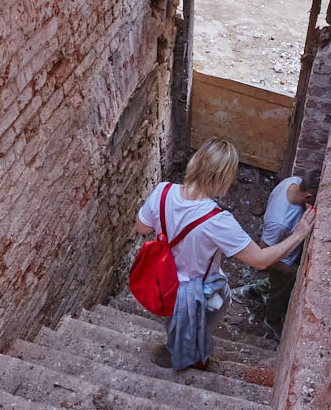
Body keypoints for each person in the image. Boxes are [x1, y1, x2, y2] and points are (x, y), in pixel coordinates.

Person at [135, 138, 316, 370]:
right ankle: (192, 354)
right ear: (223, 178)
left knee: (175, 318)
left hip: (164, 284)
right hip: (203, 291)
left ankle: (177, 343)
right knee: (213, 310)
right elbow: (260, 260)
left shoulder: (162, 191)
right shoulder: (218, 221)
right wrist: (298, 235)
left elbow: (143, 228)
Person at [237, 170, 319, 338]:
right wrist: (286, 270)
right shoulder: (279, 222)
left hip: (287, 254)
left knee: (278, 285)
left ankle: (254, 290)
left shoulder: (293, 181)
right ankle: (272, 319)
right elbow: (263, 250)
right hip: (280, 261)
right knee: (279, 293)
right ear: (309, 197)